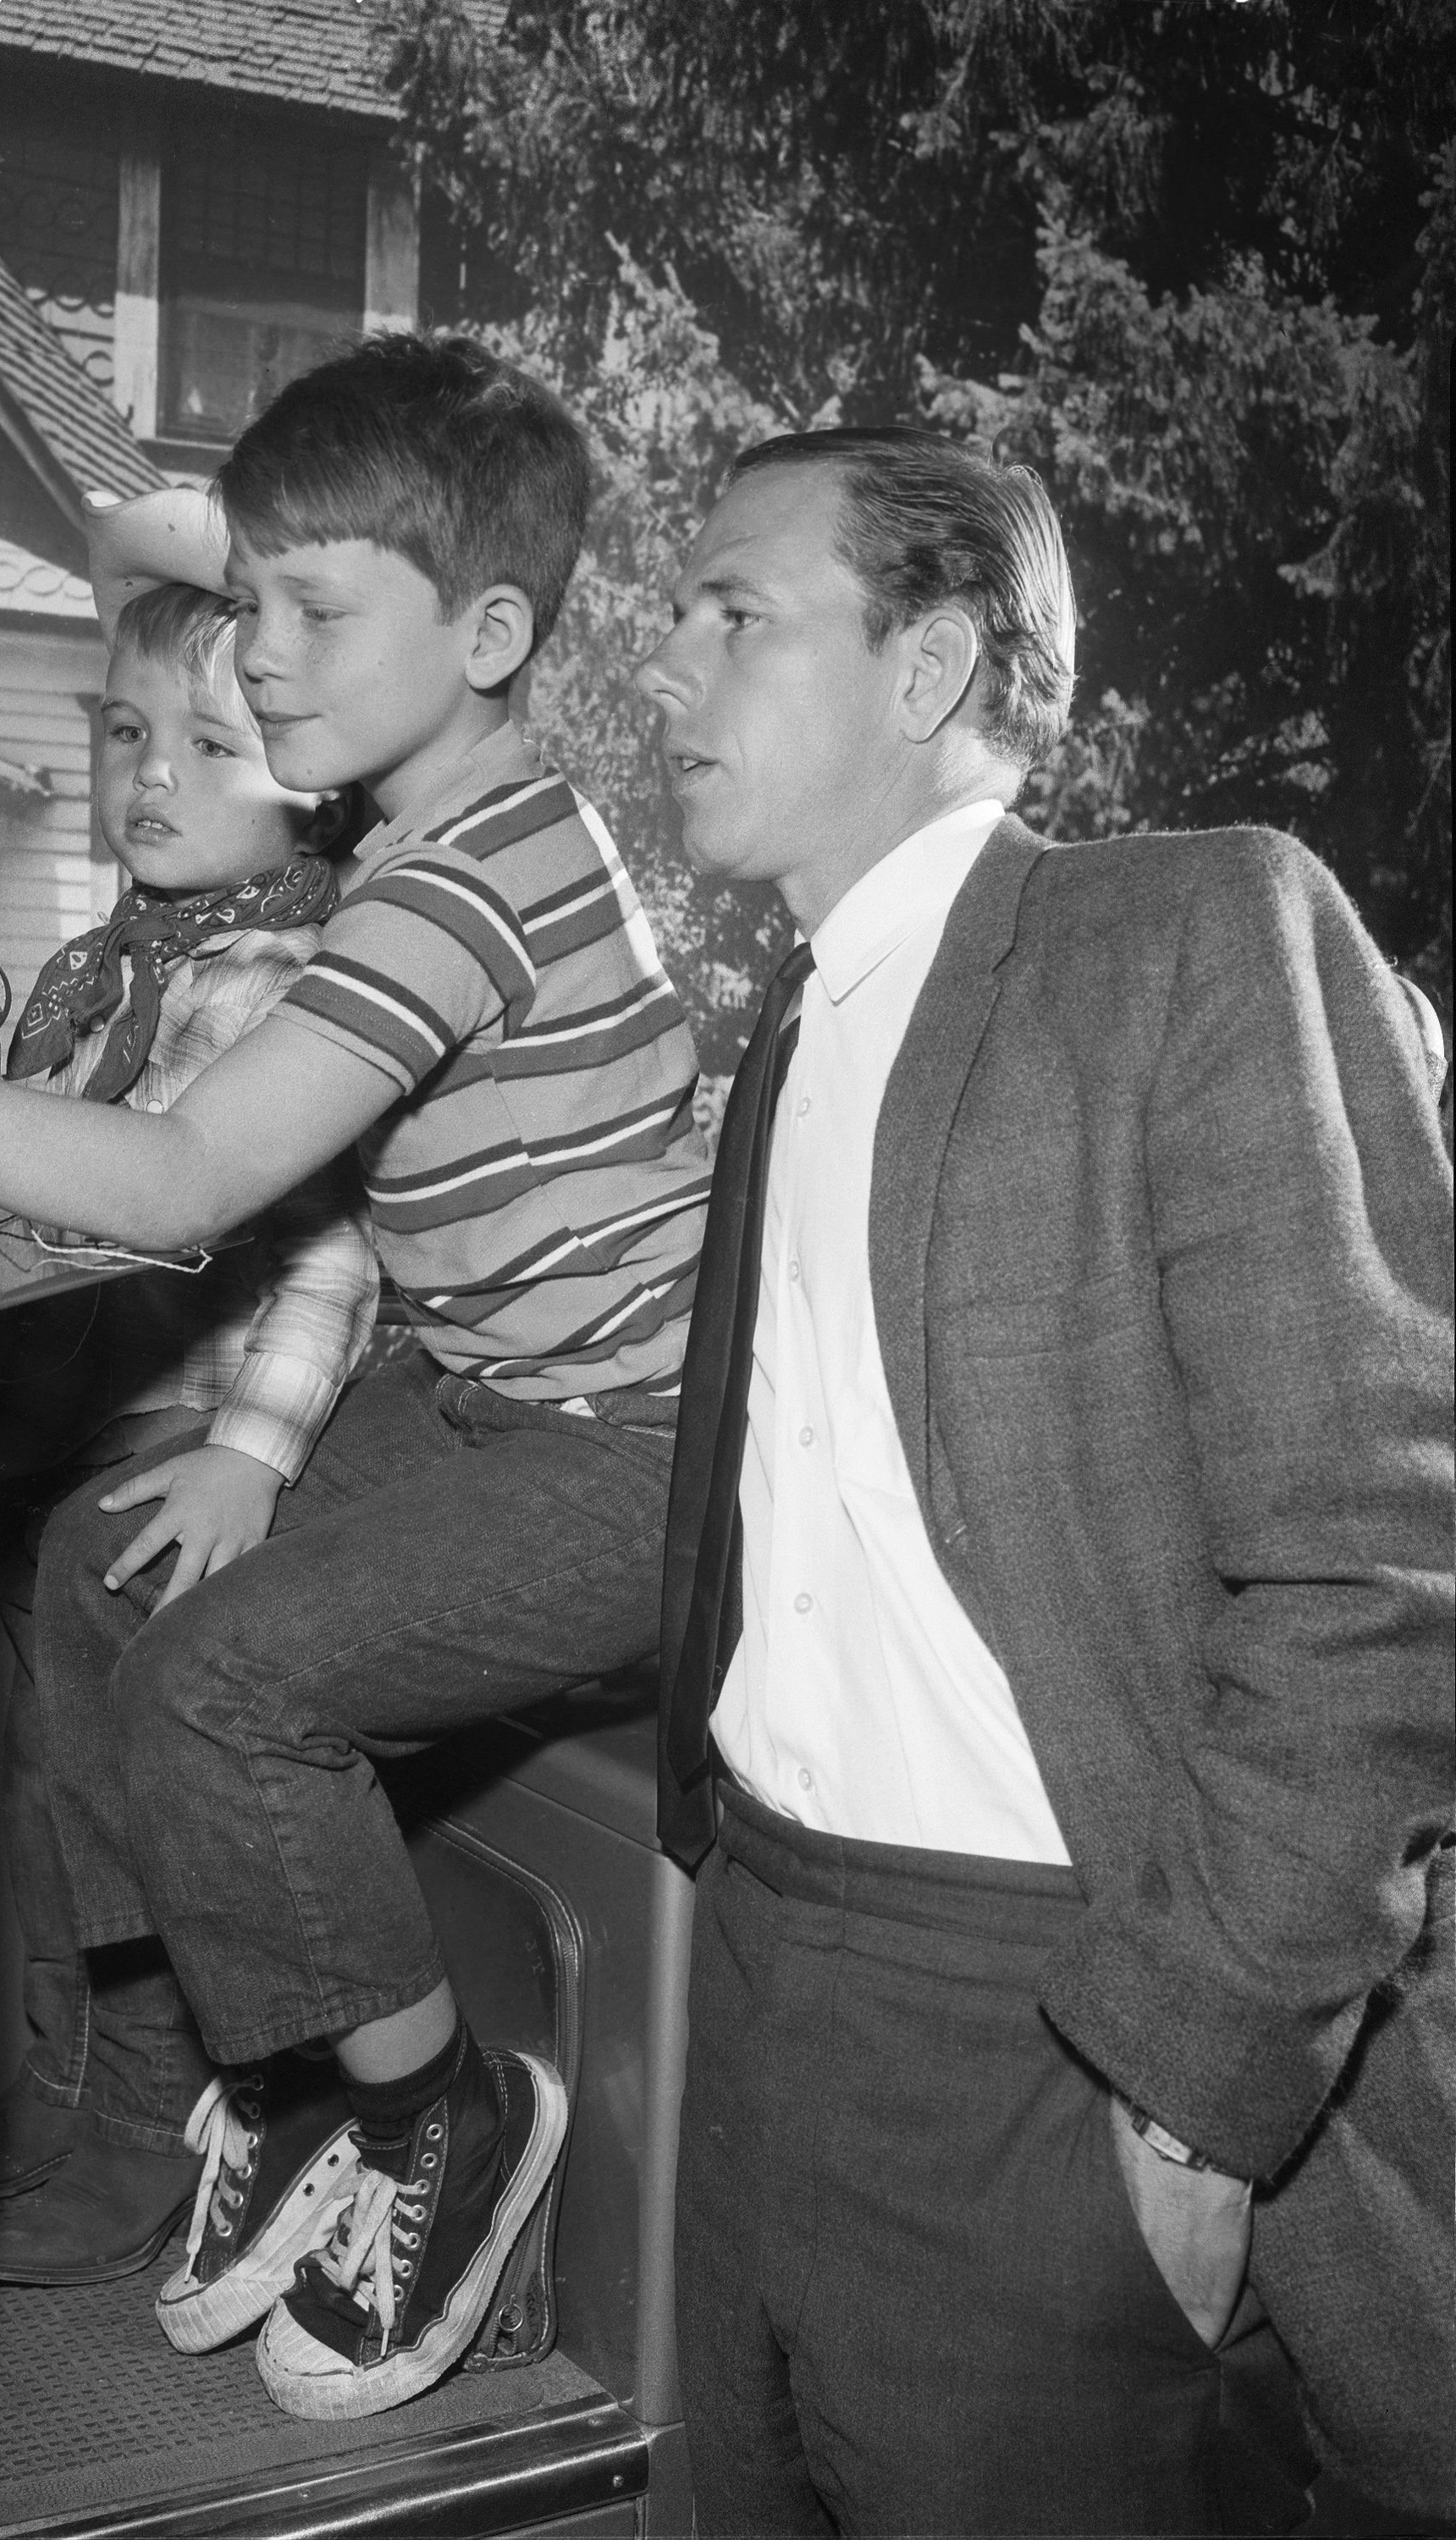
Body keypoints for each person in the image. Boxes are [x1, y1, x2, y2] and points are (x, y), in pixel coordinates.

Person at [0, 333, 711, 2421]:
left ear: (492, 636)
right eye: (258, 603)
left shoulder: (455, 893)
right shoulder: (442, 830)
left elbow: (186, 1184)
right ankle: (265, 2065)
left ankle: (431, 2107)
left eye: (321, 615)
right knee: (93, 1581)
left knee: (224, 1685)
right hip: (487, 1382)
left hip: (632, 1446)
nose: (270, 659)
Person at [641, 426, 1453, 2534]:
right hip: (759, 1954)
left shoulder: (1191, 931)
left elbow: (1380, 1564)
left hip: (1057, 2023)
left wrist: (1192, 2098)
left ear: (925, 670)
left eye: (734, 614)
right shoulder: (791, 1036)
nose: (667, 672)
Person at [0, 578, 378, 2280]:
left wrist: (248, 1453)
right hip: (76, 1403)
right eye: (127, 733)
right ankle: (48, 2053)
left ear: (310, 782)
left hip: (206, 1429)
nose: (155, 775)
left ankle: (153, 2091)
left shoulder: (290, 979)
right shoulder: (92, 973)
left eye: (216, 742)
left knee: (85, 1612)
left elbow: (335, 1244)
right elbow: (11, 1172)